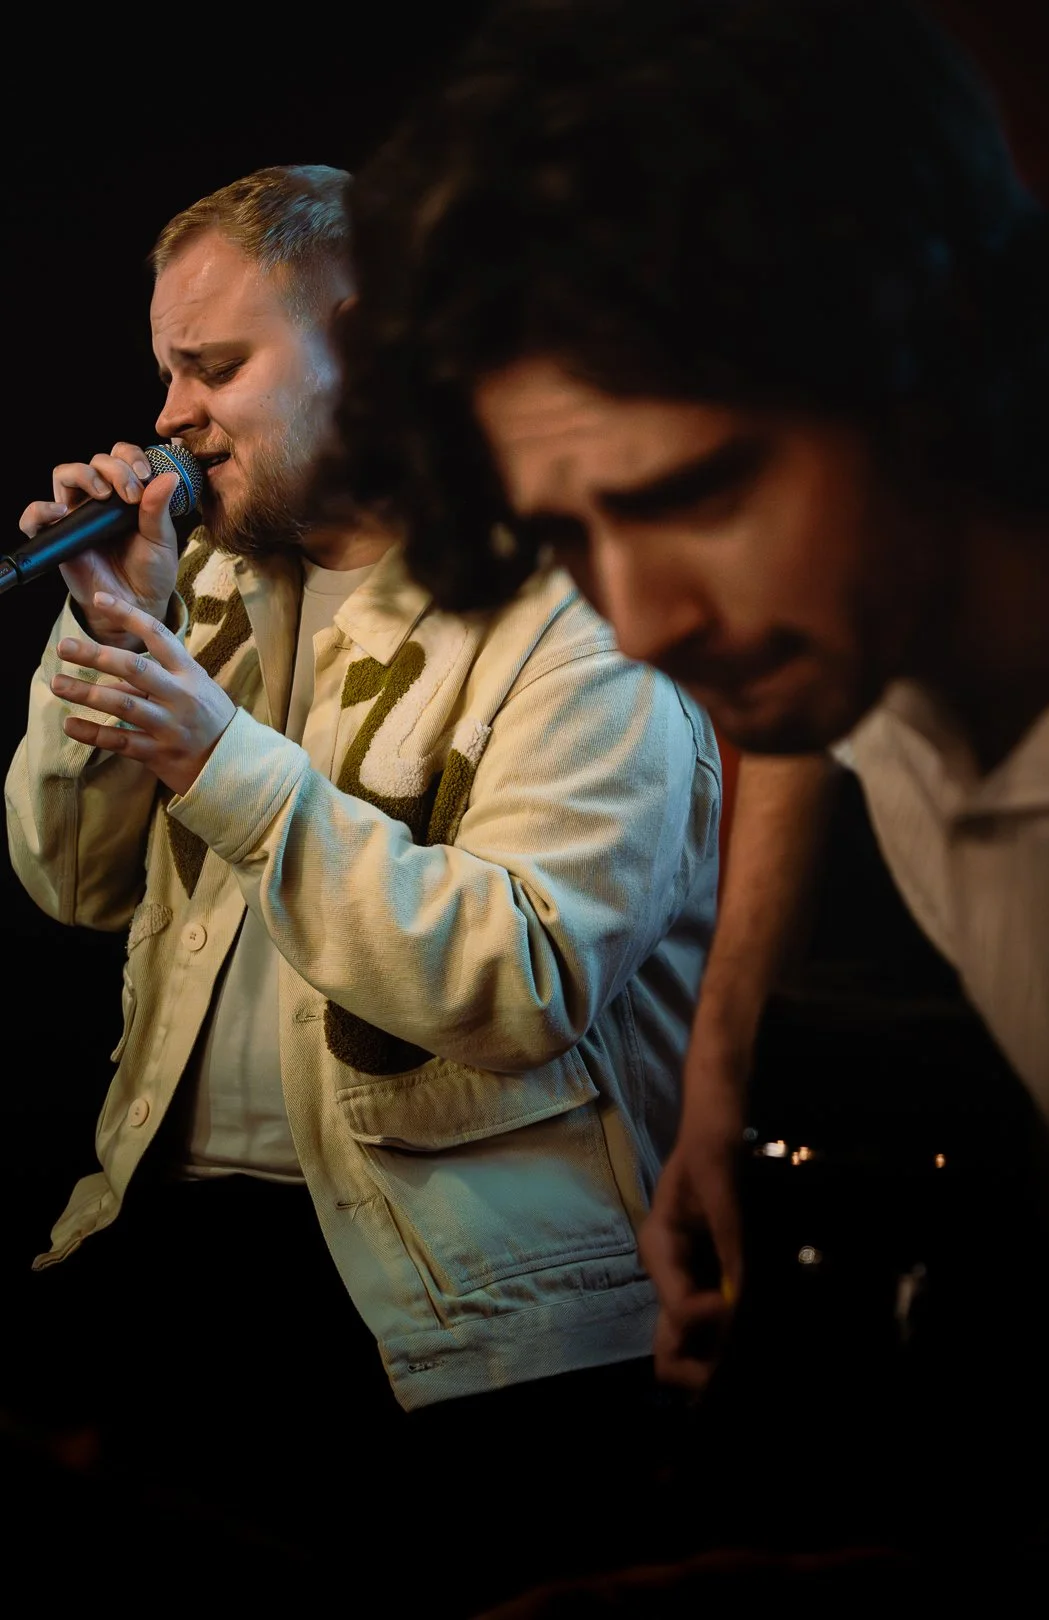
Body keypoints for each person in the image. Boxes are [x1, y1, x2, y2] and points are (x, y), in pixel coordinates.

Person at [312, 0, 1049, 1575]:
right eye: (578, 536)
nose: (646, 618)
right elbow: (803, 729)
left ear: (919, 366)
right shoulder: (863, 620)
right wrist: (721, 1078)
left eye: (697, 495)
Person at [3, 162, 723, 1603]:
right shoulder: (202, 585)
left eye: (214, 367)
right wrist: (110, 635)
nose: (166, 418)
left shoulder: (578, 620)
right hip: (175, 1247)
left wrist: (222, 760)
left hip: (454, 1315)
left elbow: (518, 982)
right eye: (164, 371)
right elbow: (67, 881)